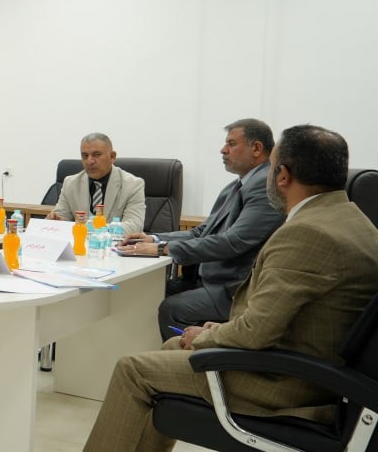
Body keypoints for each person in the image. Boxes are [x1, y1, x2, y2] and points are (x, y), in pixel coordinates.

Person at [31, 125, 378, 452]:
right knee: (170, 348)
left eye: (271, 167)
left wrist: (210, 334)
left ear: (283, 175)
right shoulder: (353, 221)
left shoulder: (307, 232)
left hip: (289, 382)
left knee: (132, 369)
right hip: (320, 370)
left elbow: (256, 332)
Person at [120, 119, 284, 341]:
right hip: (206, 277)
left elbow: (233, 242)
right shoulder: (236, 186)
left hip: (234, 288)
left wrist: (163, 249)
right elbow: (202, 232)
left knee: (172, 308)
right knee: (146, 292)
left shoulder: (265, 187)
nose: (223, 150)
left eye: (231, 144)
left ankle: (187, 362)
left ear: (256, 148)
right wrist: (154, 238)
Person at [45, 132, 146, 234]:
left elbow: (134, 226)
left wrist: (92, 226)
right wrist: (56, 221)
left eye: (96, 155)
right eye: (85, 156)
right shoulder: (70, 183)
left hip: (115, 243)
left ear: (112, 157)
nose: (89, 161)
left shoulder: (133, 185)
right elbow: (62, 217)